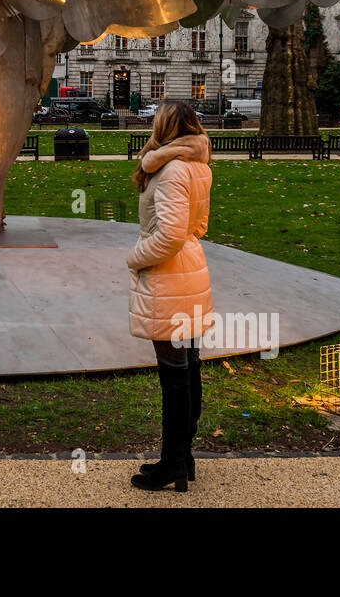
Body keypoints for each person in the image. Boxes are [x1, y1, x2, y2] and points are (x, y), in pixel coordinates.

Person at [126, 102, 214, 492]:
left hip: (170, 275)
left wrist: (135, 257)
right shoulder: (199, 166)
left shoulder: (173, 169)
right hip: (189, 270)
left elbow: (170, 235)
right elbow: (200, 226)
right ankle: (182, 456)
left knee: (173, 373)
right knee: (187, 364)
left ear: (166, 128)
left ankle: (173, 462)